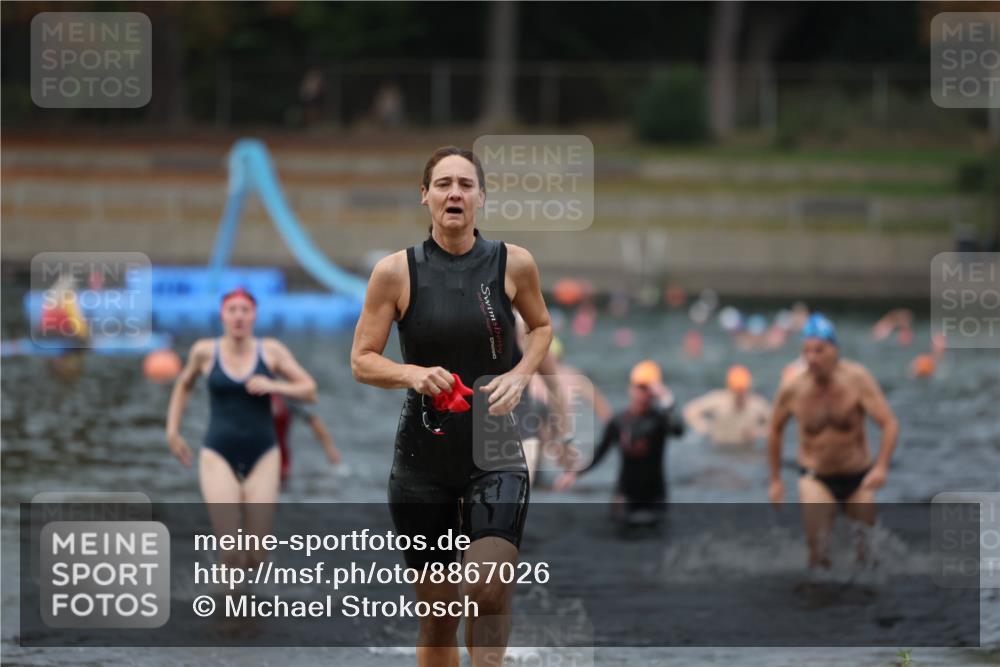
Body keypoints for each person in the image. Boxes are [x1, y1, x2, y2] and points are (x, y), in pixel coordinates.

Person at [350, 146, 553, 667]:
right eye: (443, 184)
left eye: (466, 184)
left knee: (486, 588)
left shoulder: (514, 263)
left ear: (481, 197)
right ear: (425, 196)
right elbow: (362, 360)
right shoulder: (395, 273)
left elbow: (543, 328)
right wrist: (411, 373)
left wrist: (520, 373)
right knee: (438, 617)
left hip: (495, 447)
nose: (455, 193)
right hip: (422, 459)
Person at [165, 288, 318, 571]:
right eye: (232, 310)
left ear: (254, 316)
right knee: (231, 551)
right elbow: (184, 385)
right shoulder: (204, 351)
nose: (238, 316)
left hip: (264, 454)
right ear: (222, 315)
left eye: (244, 310)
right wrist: (173, 431)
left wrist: (274, 385)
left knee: (257, 556)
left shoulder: (271, 350)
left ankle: (250, 608)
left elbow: (309, 391)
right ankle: (228, 610)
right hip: (217, 453)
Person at [768, 313, 899, 569]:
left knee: (868, 556)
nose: (812, 358)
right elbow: (774, 429)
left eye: (819, 350)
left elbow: (889, 423)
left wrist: (881, 467)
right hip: (816, 478)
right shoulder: (793, 388)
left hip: (858, 478)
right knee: (818, 553)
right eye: (806, 351)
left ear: (834, 349)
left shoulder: (857, 380)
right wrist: (775, 481)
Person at [554, 360, 685, 520]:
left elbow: (679, 430)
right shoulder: (619, 421)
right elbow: (601, 451)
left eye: (648, 389)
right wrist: (575, 473)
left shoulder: (660, 420)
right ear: (631, 388)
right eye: (640, 388)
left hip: (655, 496)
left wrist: (666, 398)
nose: (644, 394)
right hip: (625, 495)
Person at [683, 365, 770, 447]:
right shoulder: (719, 400)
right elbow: (690, 409)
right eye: (737, 391)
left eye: (743, 390)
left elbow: (775, 424)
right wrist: (703, 427)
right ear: (729, 388)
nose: (740, 395)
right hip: (719, 448)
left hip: (745, 450)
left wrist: (759, 432)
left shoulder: (757, 404)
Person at [271, 394, 341, 484]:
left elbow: (313, 420)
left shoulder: (282, 396)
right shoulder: (250, 394)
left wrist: (330, 449)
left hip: (280, 461)